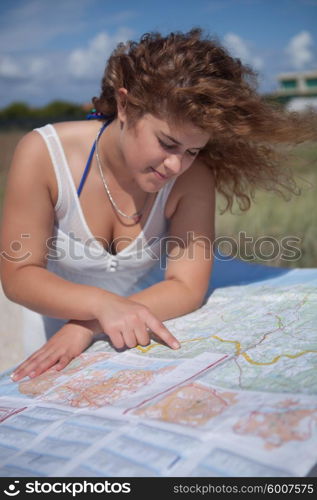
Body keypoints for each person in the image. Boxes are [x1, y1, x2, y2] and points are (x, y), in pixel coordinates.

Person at [1, 28, 315, 382]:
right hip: (48, 343)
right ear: (125, 105)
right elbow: (19, 275)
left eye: (192, 151)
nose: (176, 166)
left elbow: (186, 286)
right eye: (167, 143)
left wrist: (89, 325)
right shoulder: (43, 153)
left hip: (134, 338)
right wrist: (102, 306)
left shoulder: (193, 178)